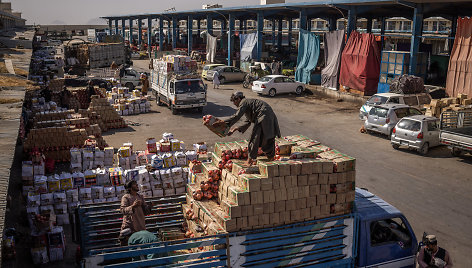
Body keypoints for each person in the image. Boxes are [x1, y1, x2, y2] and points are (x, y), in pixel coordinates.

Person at [223, 92, 281, 165]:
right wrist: (235, 128)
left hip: (263, 115)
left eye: (234, 101)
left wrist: (223, 123)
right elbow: (248, 121)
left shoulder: (243, 102)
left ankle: (250, 160)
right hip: (267, 114)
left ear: (238, 99)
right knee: (266, 137)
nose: (234, 104)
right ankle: (271, 157)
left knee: (255, 137)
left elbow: (237, 116)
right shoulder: (248, 103)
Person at [119, 181, 150, 246]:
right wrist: (133, 206)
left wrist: (149, 207)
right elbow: (122, 210)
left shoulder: (140, 197)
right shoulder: (126, 197)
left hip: (140, 225)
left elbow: (145, 210)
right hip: (130, 226)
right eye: (134, 184)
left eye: (136, 184)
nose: (136, 185)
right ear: (129, 188)